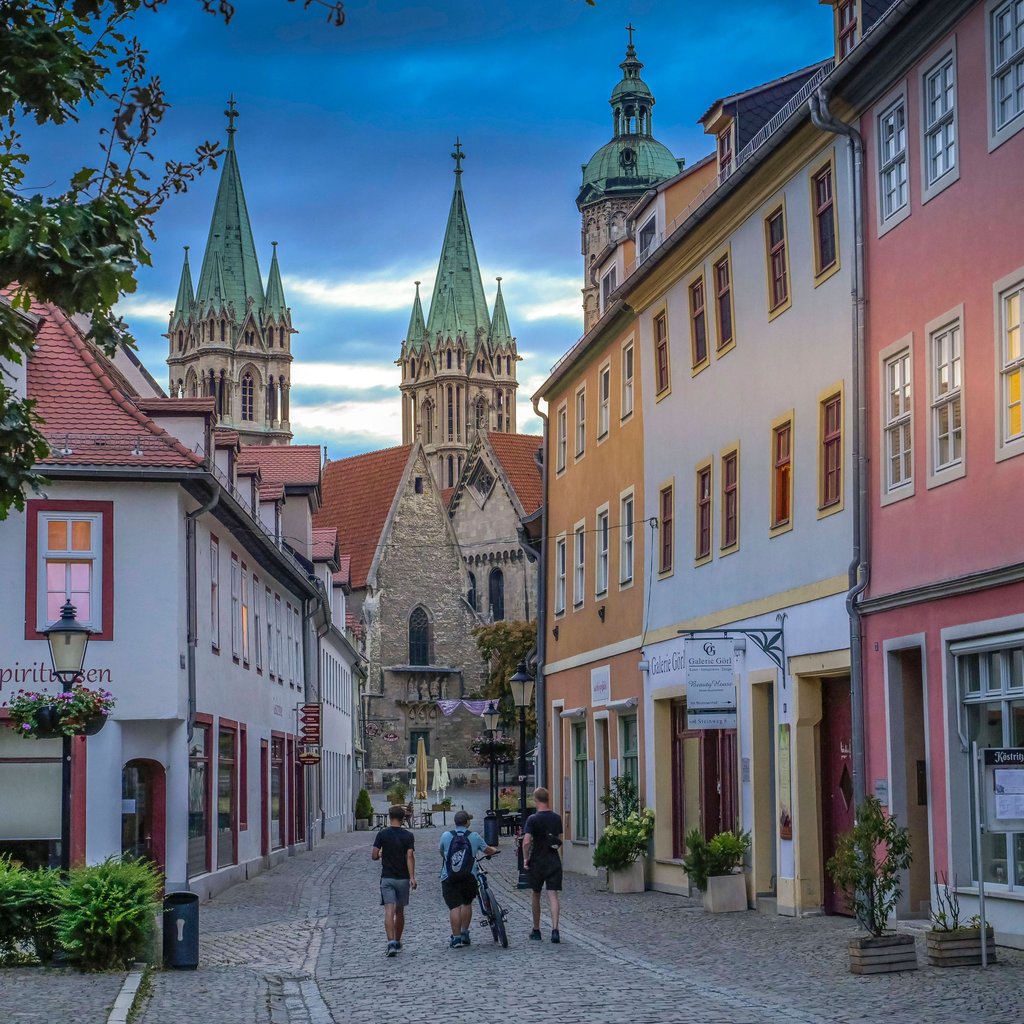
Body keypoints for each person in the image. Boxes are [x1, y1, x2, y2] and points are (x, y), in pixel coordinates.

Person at [438, 810, 497, 948]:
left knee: (454, 907)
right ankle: (465, 933)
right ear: (467, 822)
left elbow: (441, 852)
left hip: (449, 876)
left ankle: (456, 938)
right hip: (469, 876)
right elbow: (487, 850)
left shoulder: (446, 836)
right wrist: (493, 850)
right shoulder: (474, 836)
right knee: (466, 903)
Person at [372, 805, 417, 957]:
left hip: (387, 878)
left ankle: (390, 942)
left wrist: (380, 855)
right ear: (403, 818)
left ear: (390, 817)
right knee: (400, 911)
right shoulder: (408, 836)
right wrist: (412, 877)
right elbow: (409, 857)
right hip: (403, 878)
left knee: (388, 911)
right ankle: (397, 941)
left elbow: (374, 855)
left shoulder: (382, 834)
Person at [522, 786, 563, 943]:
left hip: (537, 861)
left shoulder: (533, 819)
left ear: (536, 800)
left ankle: (537, 929)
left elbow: (526, 842)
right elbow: (558, 840)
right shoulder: (556, 818)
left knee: (536, 894)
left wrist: (526, 858)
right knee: (553, 895)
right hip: (553, 860)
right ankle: (555, 929)